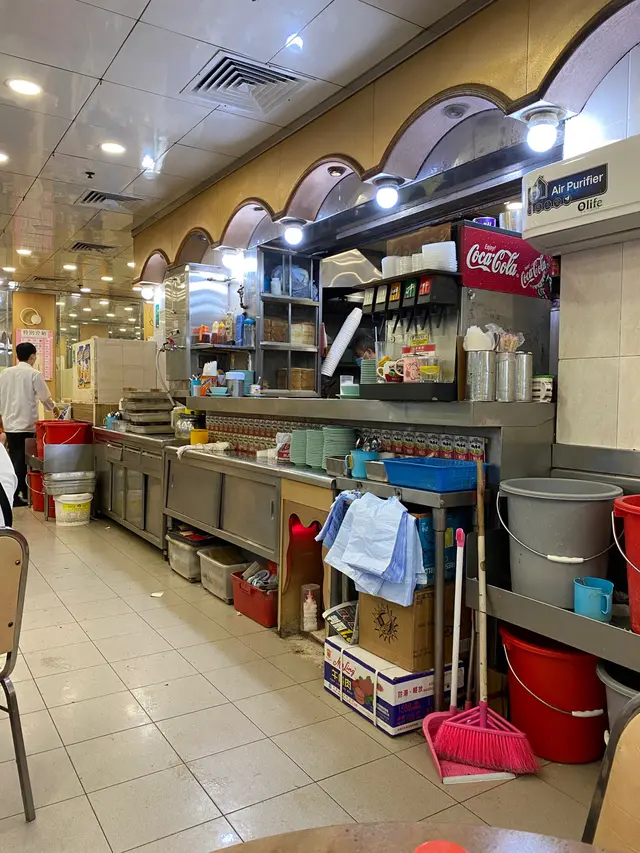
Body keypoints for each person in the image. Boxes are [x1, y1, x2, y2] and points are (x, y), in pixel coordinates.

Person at [0, 342, 59, 507]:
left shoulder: (5, 373)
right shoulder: (34, 374)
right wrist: (53, 408)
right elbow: (45, 397)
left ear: (17, 356)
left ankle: (22, 493)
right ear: (32, 356)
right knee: (23, 460)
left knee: (15, 458)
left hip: (10, 425)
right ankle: (16, 496)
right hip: (26, 424)